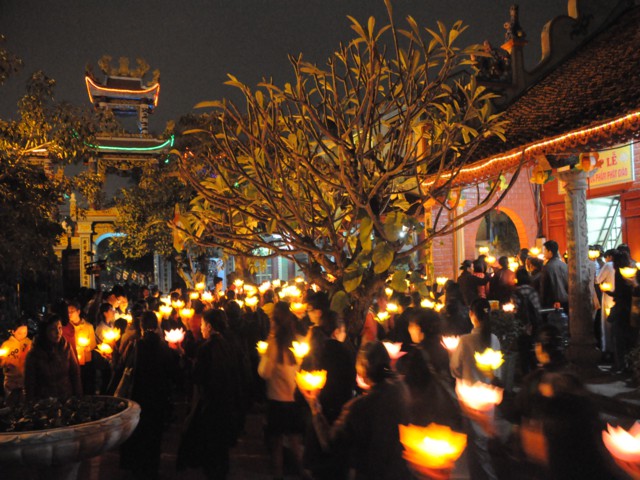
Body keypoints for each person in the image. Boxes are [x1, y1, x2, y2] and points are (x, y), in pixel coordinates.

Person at [303, 341, 411, 480]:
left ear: (363, 367)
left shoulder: (359, 406)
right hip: (399, 471)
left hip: (371, 473)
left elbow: (331, 443)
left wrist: (315, 407)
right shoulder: (402, 390)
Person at [177, 309, 242, 479]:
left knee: (211, 448)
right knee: (221, 449)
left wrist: (183, 358)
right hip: (226, 403)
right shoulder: (228, 344)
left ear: (210, 326)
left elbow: (197, 376)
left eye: (203, 325)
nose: (201, 328)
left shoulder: (207, 348)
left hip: (210, 404)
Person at [119, 311, 178, 480]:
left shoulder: (136, 346)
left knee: (138, 434)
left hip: (138, 397)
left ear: (141, 327)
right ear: (157, 326)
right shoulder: (164, 347)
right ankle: (152, 469)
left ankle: (137, 468)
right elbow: (173, 373)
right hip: (158, 398)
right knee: (154, 436)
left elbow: (123, 367)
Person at [450, 298, 500, 480]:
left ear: (472, 315)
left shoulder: (465, 341)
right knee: (482, 444)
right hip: (489, 399)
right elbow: (497, 372)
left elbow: (455, 369)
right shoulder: (494, 339)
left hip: (470, 400)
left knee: (477, 448)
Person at [258, 302, 306, 479]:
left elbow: (265, 372)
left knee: (277, 444)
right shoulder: (297, 341)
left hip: (277, 400)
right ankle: (303, 472)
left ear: (275, 322)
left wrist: (263, 357)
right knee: (295, 442)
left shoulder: (274, 344)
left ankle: (278, 475)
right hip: (293, 400)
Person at [24, 314, 82, 400]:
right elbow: (29, 382)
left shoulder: (66, 347)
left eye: (60, 328)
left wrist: (78, 396)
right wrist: (30, 402)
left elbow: (75, 373)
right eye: (53, 329)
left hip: (66, 397)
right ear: (44, 331)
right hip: (44, 401)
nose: (58, 332)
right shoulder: (35, 353)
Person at [68, 300, 98, 395]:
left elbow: (93, 343)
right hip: (73, 360)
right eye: (68, 312)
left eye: (72, 311)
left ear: (78, 311)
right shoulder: (67, 327)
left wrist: (88, 347)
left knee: (86, 383)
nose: (69, 314)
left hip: (86, 361)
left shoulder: (88, 326)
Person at [0, 319, 31, 405]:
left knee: (24, 403)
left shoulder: (28, 343)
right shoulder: (7, 345)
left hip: (25, 379)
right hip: (11, 379)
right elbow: (1, 361)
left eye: (25, 332)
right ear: (13, 331)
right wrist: (4, 362)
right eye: (20, 333)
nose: (23, 335)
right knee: (12, 403)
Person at [539, 240, 568, 311]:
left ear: (550, 252)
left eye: (544, 250)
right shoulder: (564, 265)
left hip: (554, 303)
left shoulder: (547, 267)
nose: (543, 253)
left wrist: (542, 302)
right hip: (567, 300)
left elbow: (545, 287)